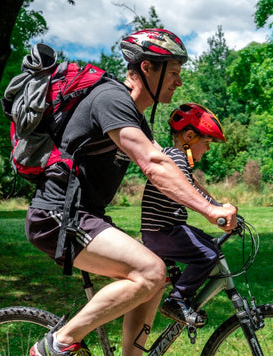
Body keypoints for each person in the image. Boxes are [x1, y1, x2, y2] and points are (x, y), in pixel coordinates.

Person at [27, 29, 237, 356]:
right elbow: (153, 164)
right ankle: (57, 344)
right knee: (150, 271)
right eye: (174, 73)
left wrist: (212, 203)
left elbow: (166, 166)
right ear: (147, 68)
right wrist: (210, 212)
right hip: (58, 216)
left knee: (157, 278)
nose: (179, 82)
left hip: (85, 216)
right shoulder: (111, 99)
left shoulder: (133, 115)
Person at [141, 103, 227, 326]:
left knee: (211, 245)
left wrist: (217, 205)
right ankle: (177, 300)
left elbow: (195, 188)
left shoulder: (175, 158)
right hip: (162, 232)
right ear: (189, 136)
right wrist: (215, 210)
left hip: (169, 229)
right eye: (206, 143)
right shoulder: (176, 158)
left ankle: (182, 294)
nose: (207, 150)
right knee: (208, 255)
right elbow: (189, 191)